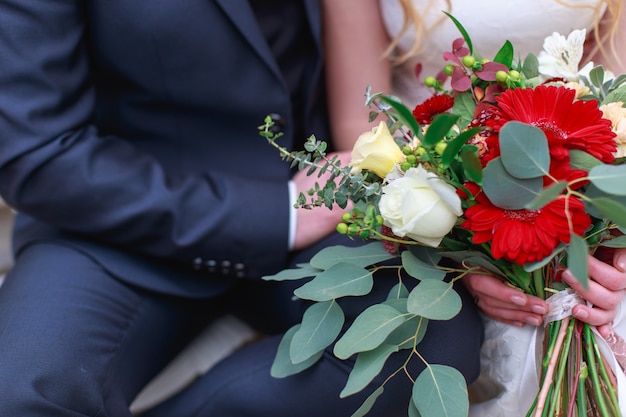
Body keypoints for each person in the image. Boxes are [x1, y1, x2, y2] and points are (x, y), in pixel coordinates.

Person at [0, 1, 483, 416]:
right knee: (23, 394)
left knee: (423, 335)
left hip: (324, 203)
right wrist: (278, 213)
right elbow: (40, 153)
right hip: (117, 221)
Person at [372, 0, 626, 414]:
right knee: (516, 332)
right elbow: (359, 126)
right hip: (445, 186)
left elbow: (612, 99)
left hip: (580, 178)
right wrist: (464, 255)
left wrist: (613, 242)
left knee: (600, 305)